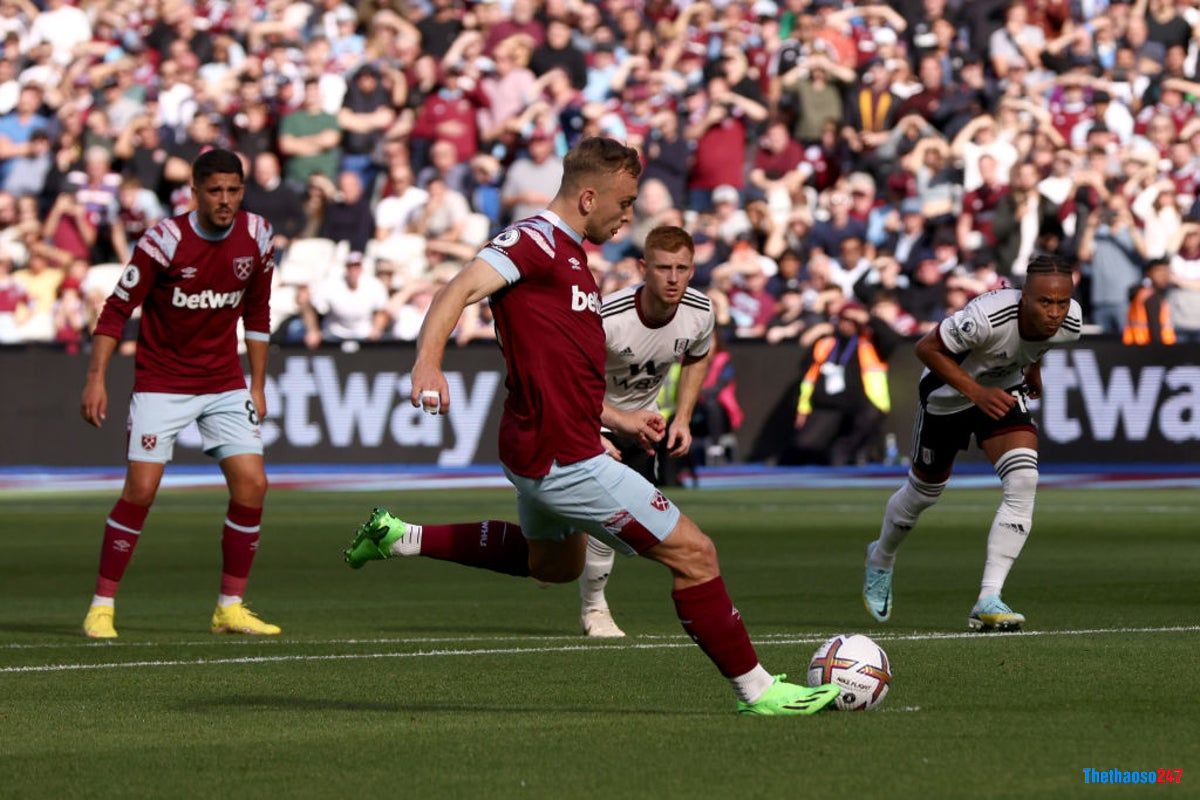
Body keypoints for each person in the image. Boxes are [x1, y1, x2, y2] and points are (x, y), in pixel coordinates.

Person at [343, 137, 839, 716]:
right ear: (587, 197)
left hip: (543, 444)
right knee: (696, 554)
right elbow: (459, 288)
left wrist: (618, 417)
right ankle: (759, 690)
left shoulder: (573, 255)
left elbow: (562, 364)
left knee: (555, 565)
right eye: (624, 202)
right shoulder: (535, 242)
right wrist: (427, 361)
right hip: (564, 455)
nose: (628, 215)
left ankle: (399, 536)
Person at [79, 148, 280, 639]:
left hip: (223, 382)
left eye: (234, 190)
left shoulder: (257, 236)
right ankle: (101, 606)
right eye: (215, 191)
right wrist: (96, 378)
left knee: (252, 485)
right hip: (161, 382)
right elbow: (114, 311)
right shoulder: (163, 241)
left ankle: (229, 607)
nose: (226, 200)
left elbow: (257, 313)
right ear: (194, 192)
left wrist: (256, 383)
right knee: (142, 490)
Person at [862, 254, 1082, 632]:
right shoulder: (987, 315)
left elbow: (1033, 344)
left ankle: (988, 598)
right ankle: (881, 557)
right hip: (947, 397)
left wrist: (1032, 369)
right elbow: (926, 349)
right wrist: (976, 393)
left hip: (1001, 392)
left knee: (1023, 481)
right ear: (1022, 296)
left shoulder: (1071, 321)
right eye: (1045, 302)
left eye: (1062, 302)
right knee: (924, 494)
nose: (1055, 312)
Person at [580, 225, 716, 639]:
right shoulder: (608, 318)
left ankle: (594, 608)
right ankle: (591, 604)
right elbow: (570, 380)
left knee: (617, 521)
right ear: (643, 268)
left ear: (693, 270)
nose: (673, 278)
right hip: (588, 420)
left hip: (642, 426)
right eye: (662, 268)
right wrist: (590, 432)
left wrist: (682, 418)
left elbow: (698, 355)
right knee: (550, 552)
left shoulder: (701, 310)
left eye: (681, 268)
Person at [788, 299, 898, 466]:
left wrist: (868, 318)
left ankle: (844, 455)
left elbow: (892, 339)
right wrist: (803, 408)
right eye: (844, 320)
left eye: (852, 321)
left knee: (853, 437)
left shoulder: (870, 343)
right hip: (828, 405)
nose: (847, 324)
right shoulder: (825, 343)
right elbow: (808, 379)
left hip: (862, 403)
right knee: (805, 444)